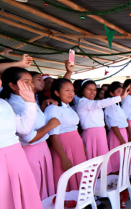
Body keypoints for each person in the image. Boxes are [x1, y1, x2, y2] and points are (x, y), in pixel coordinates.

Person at [2, 67, 60, 200]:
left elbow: (34, 121)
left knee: (45, 185)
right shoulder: (14, 104)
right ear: (12, 85)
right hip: (31, 150)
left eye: (30, 81)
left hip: (41, 147)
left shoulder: (28, 99)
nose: (31, 85)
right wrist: (49, 126)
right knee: (35, 189)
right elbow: (29, 137)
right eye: (26, 82)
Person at [0, 77, 43, 208]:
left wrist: (30, 102)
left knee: (24, 197)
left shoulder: (4, 103)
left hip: (16, 154)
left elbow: (23, 128)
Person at [44, 78, 87, 192]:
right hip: (64, 147)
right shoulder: (53, 109)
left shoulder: (68, 107)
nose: (71, 93)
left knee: (80, 173)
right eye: (67, 90)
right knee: (68, 176)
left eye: (72, 90)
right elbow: (53, 136)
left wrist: (83, 148)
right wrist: (63, 158)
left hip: (76, 144)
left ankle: (82, 200)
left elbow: (75, 129)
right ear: (57, 92)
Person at [77, 79, 128, 172]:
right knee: (93, 161)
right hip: (91, 134)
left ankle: (104, 181)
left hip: (101, 133)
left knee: (103, 160)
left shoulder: (93, 102)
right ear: (82, 90)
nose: (93, 92)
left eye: (94, 90)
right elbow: (100, 103)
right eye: (89, 89)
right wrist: (121, 97)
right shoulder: (82, 102)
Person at [104, 82, 131, 173]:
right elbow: (114, 125)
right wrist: (123, 141)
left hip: (122, 132)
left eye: (122, 91)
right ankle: (117, 181)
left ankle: (123, 181)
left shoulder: (118, 104)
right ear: (112, 94)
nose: (121, 94)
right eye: (118, 91)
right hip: (116, 135)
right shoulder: (110, 105)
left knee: (123, 157)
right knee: (117, 159)